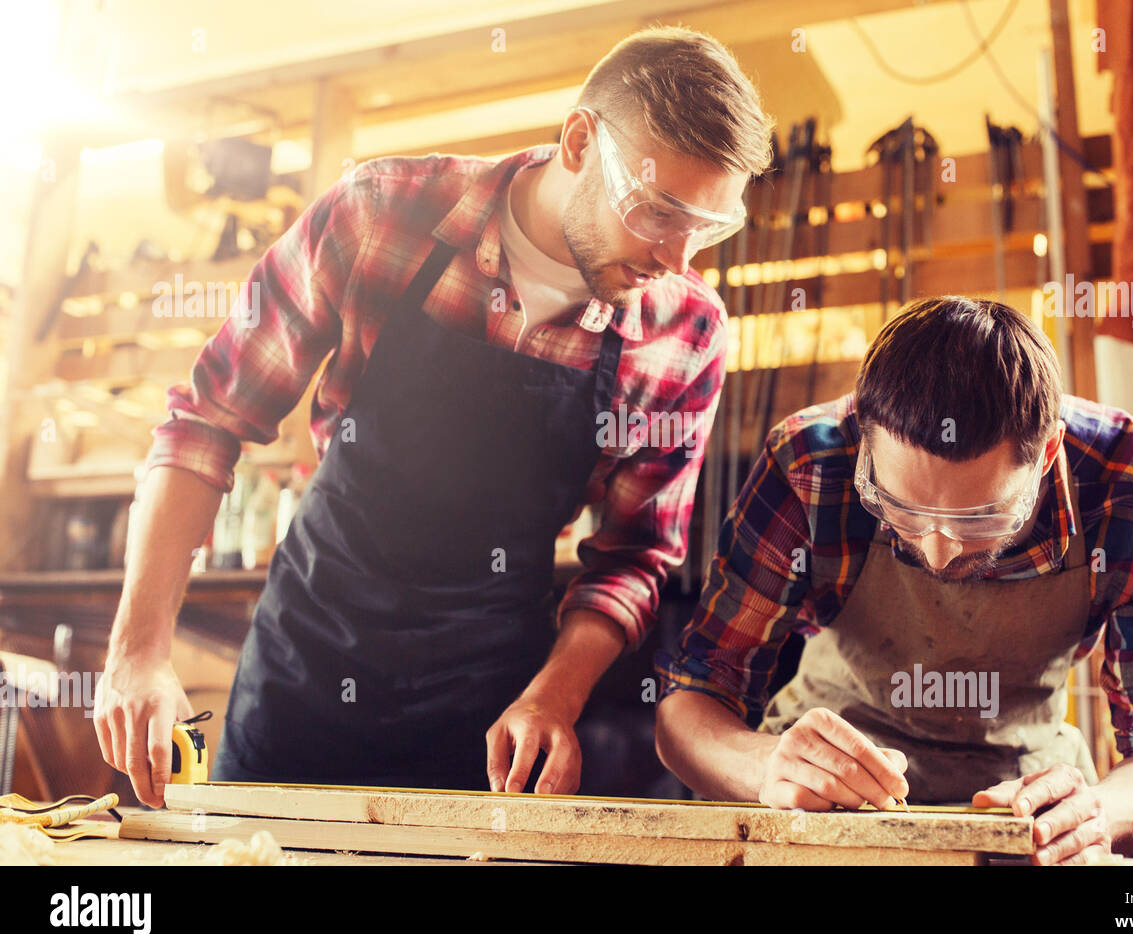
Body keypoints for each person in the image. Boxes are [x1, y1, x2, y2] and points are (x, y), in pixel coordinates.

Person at [95, 26, 773, 807]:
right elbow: (207, 421)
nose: (678, 260)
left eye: (708, 228)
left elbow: (634, 558)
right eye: (658, 212)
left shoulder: (684, 332)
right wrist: (138, 651)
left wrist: (553, 699)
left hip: (487, 705)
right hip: (306, 665)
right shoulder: (381, 214)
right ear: (581, 142)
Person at [654, 296, 1133, 864]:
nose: (936, 552)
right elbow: (693, 698)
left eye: (979, 517)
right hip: (826, 816)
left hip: (1020, 819)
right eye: (899, 510)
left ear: (1047, 451)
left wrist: (1096, 816)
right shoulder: (809, 465)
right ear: (865, 440)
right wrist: (767, 767)